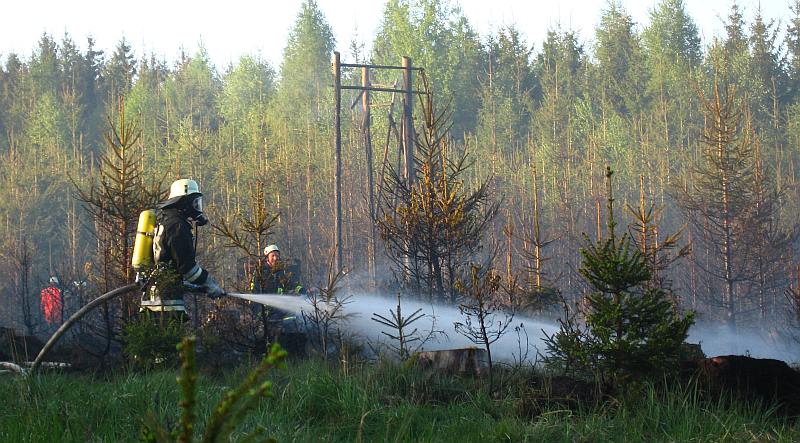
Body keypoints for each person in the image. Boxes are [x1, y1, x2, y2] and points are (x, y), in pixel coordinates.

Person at [140, 178, 223, 321]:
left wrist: (196, 286)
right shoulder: (178, 226)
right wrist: (208, 283)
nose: (196, 207)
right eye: (194, 202)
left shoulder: (167, 223)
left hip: (154, 300)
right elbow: (186, 266)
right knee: (170, 335)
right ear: (184, 202)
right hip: (166, 304)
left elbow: (170, 264)